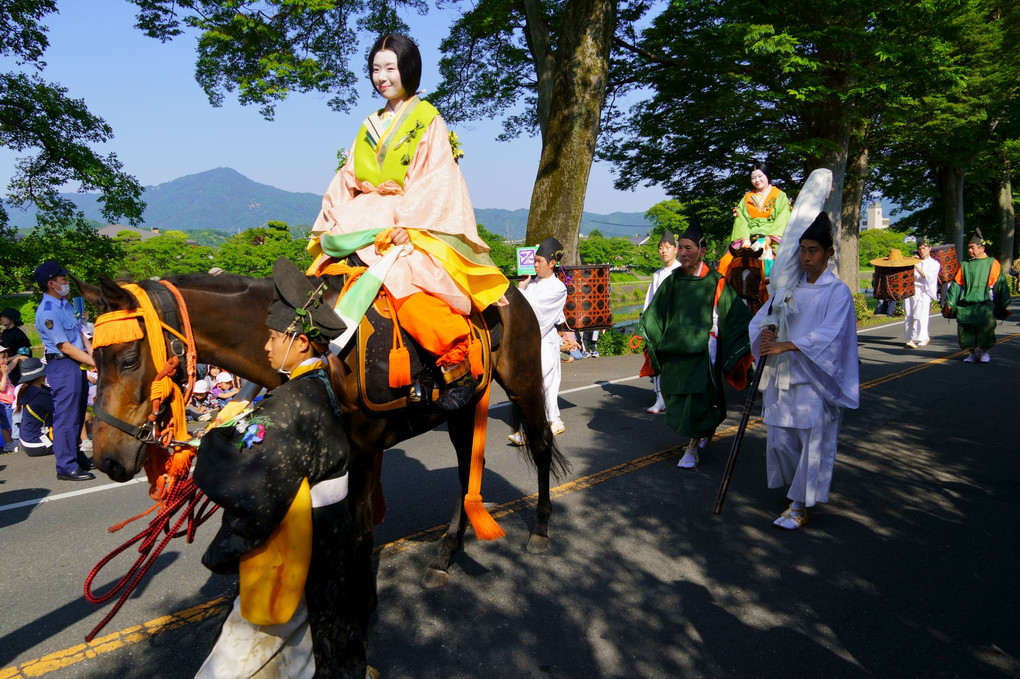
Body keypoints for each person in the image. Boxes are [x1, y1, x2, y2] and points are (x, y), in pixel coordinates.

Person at [307, 33, 509, 412]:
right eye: (375, 69)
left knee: (408, 285)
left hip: (408, 216)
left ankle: (454, 366)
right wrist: (334, 215)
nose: (381, 76)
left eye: (389, 68)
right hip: (361, 218)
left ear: (408, 69)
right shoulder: (368, 125)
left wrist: (412, 223)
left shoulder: (426, 118)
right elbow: (346, 176)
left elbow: (436, 176)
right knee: (321, 281)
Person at [193, 256, 370, 678]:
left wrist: (211, 443)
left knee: (246, 656)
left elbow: (255, 481)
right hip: (332, 533)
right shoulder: (319, 385)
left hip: (303, 543)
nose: (267, 347)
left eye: (273, 338)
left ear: (301, 342)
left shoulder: (290, 403)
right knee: (321, 638)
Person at [749, 213, 859, 530]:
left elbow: (832, 335)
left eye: (813, 250)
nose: (806, 257)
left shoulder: (836, 292)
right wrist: (765, 334)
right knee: (781, 441)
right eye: (802, 250)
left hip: (814, 381)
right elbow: (760, 320)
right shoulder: (788, 288)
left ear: (828, 253)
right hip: (783, 378)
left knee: (813, 445)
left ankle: (798, 505)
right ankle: (795, 494)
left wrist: (789, 345)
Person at [638, 219, 754, 469]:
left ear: (702, 251)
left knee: (697, 397)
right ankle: (702, 430)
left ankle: (691, 448)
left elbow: (735, 316)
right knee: (677, 395)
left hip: (704, 349)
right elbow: (656, 313)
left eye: (688, 248)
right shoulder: (673, 280)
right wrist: (646, 332)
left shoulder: (716, 281)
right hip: (675, 349)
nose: (682, 253)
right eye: (680, 248)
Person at [33, 261, 94, 481]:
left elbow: (79, 335)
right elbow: (64, 346)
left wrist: (91, 355)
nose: (67, 281)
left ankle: (76, 456)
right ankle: (65, 466)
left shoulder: (65, 304)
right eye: (63, 279)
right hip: (63, 364)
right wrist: (93, 363)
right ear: (51, 283)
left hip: (76, 362)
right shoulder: (47, 312)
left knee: (77, 413)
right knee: (66, 416)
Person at [509, 237, 568, 445]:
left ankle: (532, 428)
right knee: (541, 384)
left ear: (552, 263)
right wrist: (523, 287)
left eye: (539, 261)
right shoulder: (532, 283)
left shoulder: (558, 288)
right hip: (530, 340)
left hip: (544, 339)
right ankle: (551, 420)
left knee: (540, 383)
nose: (535, 265)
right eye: (534, 261)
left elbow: (535, 310)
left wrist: (521, 291)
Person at [945, 228, 1011, 363]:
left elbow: (1000, 284)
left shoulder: (992, 263)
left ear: (981, 248)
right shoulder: (964, 265)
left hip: (984, 303)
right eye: (968, 248)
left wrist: (1002, 303)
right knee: (966, 329)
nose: (969, 250)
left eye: (972, 247)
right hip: (966, 304)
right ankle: (971, 353)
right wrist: (950, 303)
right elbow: (956, 286)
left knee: (985, 328)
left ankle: (985, 352)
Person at [718, 162, 791, 279]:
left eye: (760, 176)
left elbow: (783, 217)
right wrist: (745, 239)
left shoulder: (780, 195)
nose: (757, 180)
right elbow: (741, 218)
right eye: (753, 178)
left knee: (788, 263)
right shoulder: (746, 198)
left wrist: (769, 238)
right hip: (748, 239)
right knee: (725, 263)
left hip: (772, 238)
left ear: (767, 175)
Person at [642, 230, 682, 414]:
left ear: (676, 249)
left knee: (677, 363)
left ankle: (677, 398)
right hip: (659, 326)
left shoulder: (682, 272)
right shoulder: (657, 275)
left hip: (677, 326)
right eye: (661, 248)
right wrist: (645, 325)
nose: (663, 251)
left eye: (667, 247)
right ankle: (660, 398)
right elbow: (649, 303)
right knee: (658, 362)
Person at [904, 238, 941, 348]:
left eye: (924, 248)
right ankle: (909, 338)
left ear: (929, 248)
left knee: (920, 314)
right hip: (912, 290)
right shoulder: (915, 261)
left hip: (924, 291)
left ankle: (923, 337)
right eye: (919, 249)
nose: (922, 251)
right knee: (909, 314)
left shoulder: (934, 263)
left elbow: (926, 276)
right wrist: (911, 262)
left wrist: (915, 264)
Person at [14, 357, 54, 458]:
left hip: (26, 440)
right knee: (71, 444)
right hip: (37, 444)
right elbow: (59, 411)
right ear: (40, 376)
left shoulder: (26, 390)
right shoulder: (40, 395)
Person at [0, 306, 32, 386]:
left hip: (16, 369)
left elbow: (24, 355)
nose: (1, 318)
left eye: (4, 316)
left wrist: (7, 359)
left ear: (11, 318)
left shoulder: (18, 334)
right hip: (5, 367)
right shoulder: (5, 332)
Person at [0, 346, 15, 452]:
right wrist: (4, 374)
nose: (6, 360)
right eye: (3, 357)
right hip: (4, 403)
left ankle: (14, 441)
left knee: (13, 422)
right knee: (7, 424)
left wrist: (17, 358)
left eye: (7, 357)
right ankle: (8, 444)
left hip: (11, 401)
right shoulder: (2, 372)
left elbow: (12, 366)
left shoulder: (4, 368)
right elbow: (1, 387)